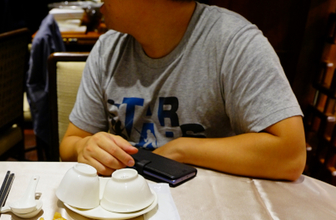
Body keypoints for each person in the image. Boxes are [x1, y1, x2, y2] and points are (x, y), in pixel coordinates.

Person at [60, 0, 306, 182]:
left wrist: (181, 149)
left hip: (209, 202)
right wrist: (85, 147)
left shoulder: (233, 41)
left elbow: (290, 155)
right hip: (124, 202)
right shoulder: (108, 48)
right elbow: (70, 144)